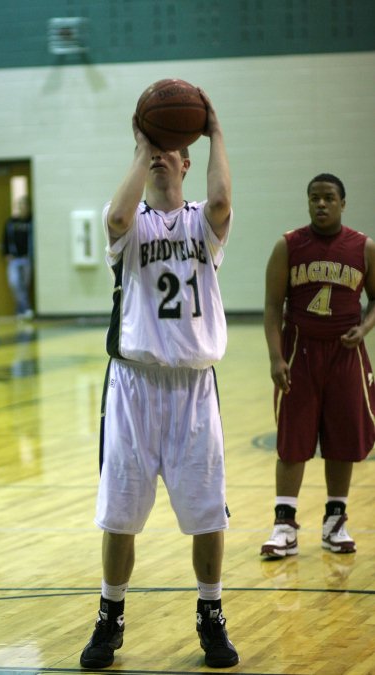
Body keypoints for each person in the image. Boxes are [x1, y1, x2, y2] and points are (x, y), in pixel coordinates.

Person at [80, 90, 239, 670]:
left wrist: (214, 131)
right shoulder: (128, 223)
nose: (161, 157)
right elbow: (118, 219)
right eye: (156, 149)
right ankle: (109, 617)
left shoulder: (202, 221)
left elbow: (223, 199)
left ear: (187, 158)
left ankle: (211, 615)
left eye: (172, 150)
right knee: (120, 514)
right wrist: (143, 145)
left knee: (206, 512)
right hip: (133, 386)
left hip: (194, 388)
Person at [261, 173, 375, 559]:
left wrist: (364, 328)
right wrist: (276, 357)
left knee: (342, 440)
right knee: (293, 441)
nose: (321, 204)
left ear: (343, 203)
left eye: (328, 198)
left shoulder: (363, 247)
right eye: (314, 198)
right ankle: (284, 525)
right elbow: (273, 306)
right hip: (300, 352)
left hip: (345, 355)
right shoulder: (288, 245)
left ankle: (335, 521)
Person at [2, 195, 34, 319]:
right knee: (14, 283)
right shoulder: (11, 223)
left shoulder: (31, 222)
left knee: (24, 285)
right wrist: (6, 253)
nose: (22, 208)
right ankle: (26, 308)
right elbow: (5, 239)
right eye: (20, 205)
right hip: (14, 259)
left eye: (25, 205)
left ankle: (20, 310)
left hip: (27, 258)